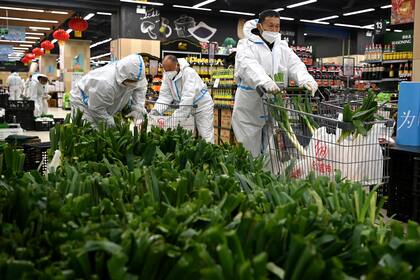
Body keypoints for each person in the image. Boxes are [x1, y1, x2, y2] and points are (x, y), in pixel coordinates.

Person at [232, 10, 318, 157]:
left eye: (277, 26)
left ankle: (268, 179)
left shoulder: (282, 47)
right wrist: (264, 81)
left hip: (274, 105)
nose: (274, 30)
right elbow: (249, 65)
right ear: (259, 27)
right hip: (250, 106)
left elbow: (295, 65)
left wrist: (306, 79)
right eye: (270, 26)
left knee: (272, 152)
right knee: (249, 151)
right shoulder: (246, 45)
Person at [70, 54, 148, 127]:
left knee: (105, 126)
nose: (134, 84)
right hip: (82, 103)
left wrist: (138, 108)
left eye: (136, 82)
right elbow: (97, 109)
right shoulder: (106, 82)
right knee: (89, 128)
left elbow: (140, 89)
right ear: (123, 76)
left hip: (101, 101)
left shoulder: (138, 76)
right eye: (131, 81)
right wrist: (111, 124)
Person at [150, 55, 214, 143]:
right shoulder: (167, 76)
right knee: (187, 136)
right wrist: (156, 110)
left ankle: (210, 154)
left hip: (202, 106)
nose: (168, 72)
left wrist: (172, 121)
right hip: (186, 108)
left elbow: (187, 98)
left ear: (177, 65)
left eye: (170, 70)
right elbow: (165, 96)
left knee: (205, 134)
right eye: (166, 70)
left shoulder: (188, 73)